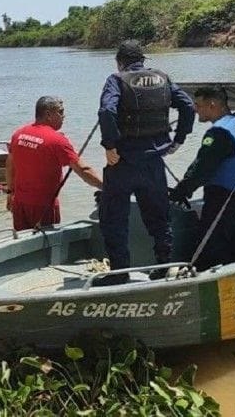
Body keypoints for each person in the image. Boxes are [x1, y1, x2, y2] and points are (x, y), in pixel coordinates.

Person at [94, 39, 195, 286]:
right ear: (142, 60)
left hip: (123, 163)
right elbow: (189, 106)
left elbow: (107, 112)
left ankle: (119, 274)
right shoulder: (163, 78)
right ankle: (162, 268)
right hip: (153, 163)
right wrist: (179, 139)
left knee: (114, 219)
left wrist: (110, 146)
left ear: (120, 62)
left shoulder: (116, 80)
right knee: (159, 219)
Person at [167, 85, 235, 272]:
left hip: (223, 201)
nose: (194, 109)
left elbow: (201, 169)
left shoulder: (220, 133)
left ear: (212, 105)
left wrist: (180, 192)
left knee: (210, 249)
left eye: (198, 105)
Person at [6, 96, 103, 230]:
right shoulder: (57, 141)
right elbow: (83, 170)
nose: (64, 116)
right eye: (61, 112)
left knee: (22, 243)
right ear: (48, 114)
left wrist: (10, 192)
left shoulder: (18, 134)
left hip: (19, 204)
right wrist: (106, 187)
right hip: (44, 207)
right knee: (46, 245)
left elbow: (10, 165)